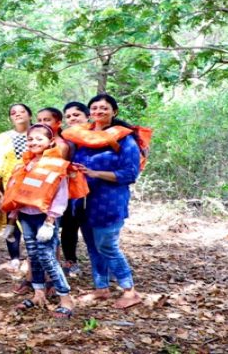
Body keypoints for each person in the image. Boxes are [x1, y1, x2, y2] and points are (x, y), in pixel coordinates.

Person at [64, 94, 142, 309]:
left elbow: (130, 173)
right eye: (95, 108)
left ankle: (130, 290)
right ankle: (101, 288)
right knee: (91, 245)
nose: (99, 111)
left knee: (107, 245)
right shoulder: (82, 138)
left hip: (109, 201)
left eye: (104, 108)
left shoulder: (125, 139)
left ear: (114, 111)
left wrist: (96, 173)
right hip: (82, 202)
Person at [1, 124, 75, 318]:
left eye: (39, 139)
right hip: (26, 216)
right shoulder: (24, 165)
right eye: (30, 139)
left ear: (50, 142)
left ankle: (66, 298)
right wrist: (11, 221)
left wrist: (50, 222)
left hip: (45, 218)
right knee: (32, 255)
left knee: (47, 257)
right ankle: (38, 294)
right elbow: (18, 193)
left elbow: (61, 195)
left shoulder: (57, 164)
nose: (34, 142)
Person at [0, 103, 32, 271]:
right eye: (13, 112)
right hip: (9, 185)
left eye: (22, 111)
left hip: (35, 186)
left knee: (32, 220)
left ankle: (32, 256)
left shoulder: (38, 133)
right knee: (11, 222)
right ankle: (14, 257)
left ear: (29, 114)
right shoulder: (3, 137)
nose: (18, 114)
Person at [58, 101, 91, 277]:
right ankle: (70, 261)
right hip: (71, 189)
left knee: (94, 228)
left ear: (87, 116)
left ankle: (101, 264)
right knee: (70, 226)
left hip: (96, 188)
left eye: (76, 115)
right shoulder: (64, 139)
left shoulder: (97, 136)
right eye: (68, 116)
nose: (72, 119)